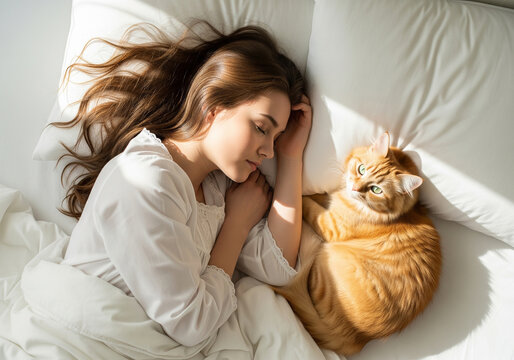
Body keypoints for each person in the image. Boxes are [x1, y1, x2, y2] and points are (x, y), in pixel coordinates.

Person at [56, 22, 312, 347]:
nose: (269, 151)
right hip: (81, 341)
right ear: (212, 107)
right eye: (262, 128)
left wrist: (291, 157)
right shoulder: (146, 181)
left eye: (276, 137)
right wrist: (235, 225)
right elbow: (192, 323)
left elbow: (275, 265)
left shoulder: (215, 187)